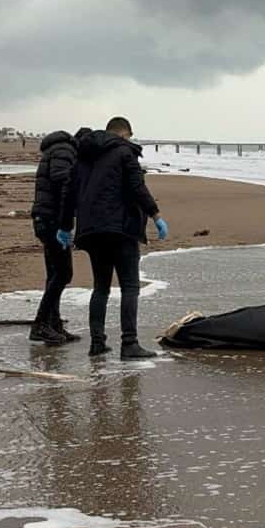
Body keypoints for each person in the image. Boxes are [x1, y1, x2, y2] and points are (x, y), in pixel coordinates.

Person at [64, 117, 168, 358]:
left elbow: (70, 194)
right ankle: (129, 344)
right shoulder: (124, 152)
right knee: (130, 286)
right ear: (124, 133)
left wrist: (65, 226)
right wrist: (156, 215)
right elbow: (137, 187)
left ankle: (97, 343)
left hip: (91, 231)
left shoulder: (84, 156)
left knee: (101, 287)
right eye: (129, 137)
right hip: (121, 229)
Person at [28, 129, 82, 345]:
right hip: (51, 220)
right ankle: (40, 325)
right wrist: (66, 223)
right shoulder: (64, 151)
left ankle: (53, 324)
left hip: (45, 218)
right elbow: (63, 182)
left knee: (54, 274)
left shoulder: (56, 150)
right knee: (63, 273)